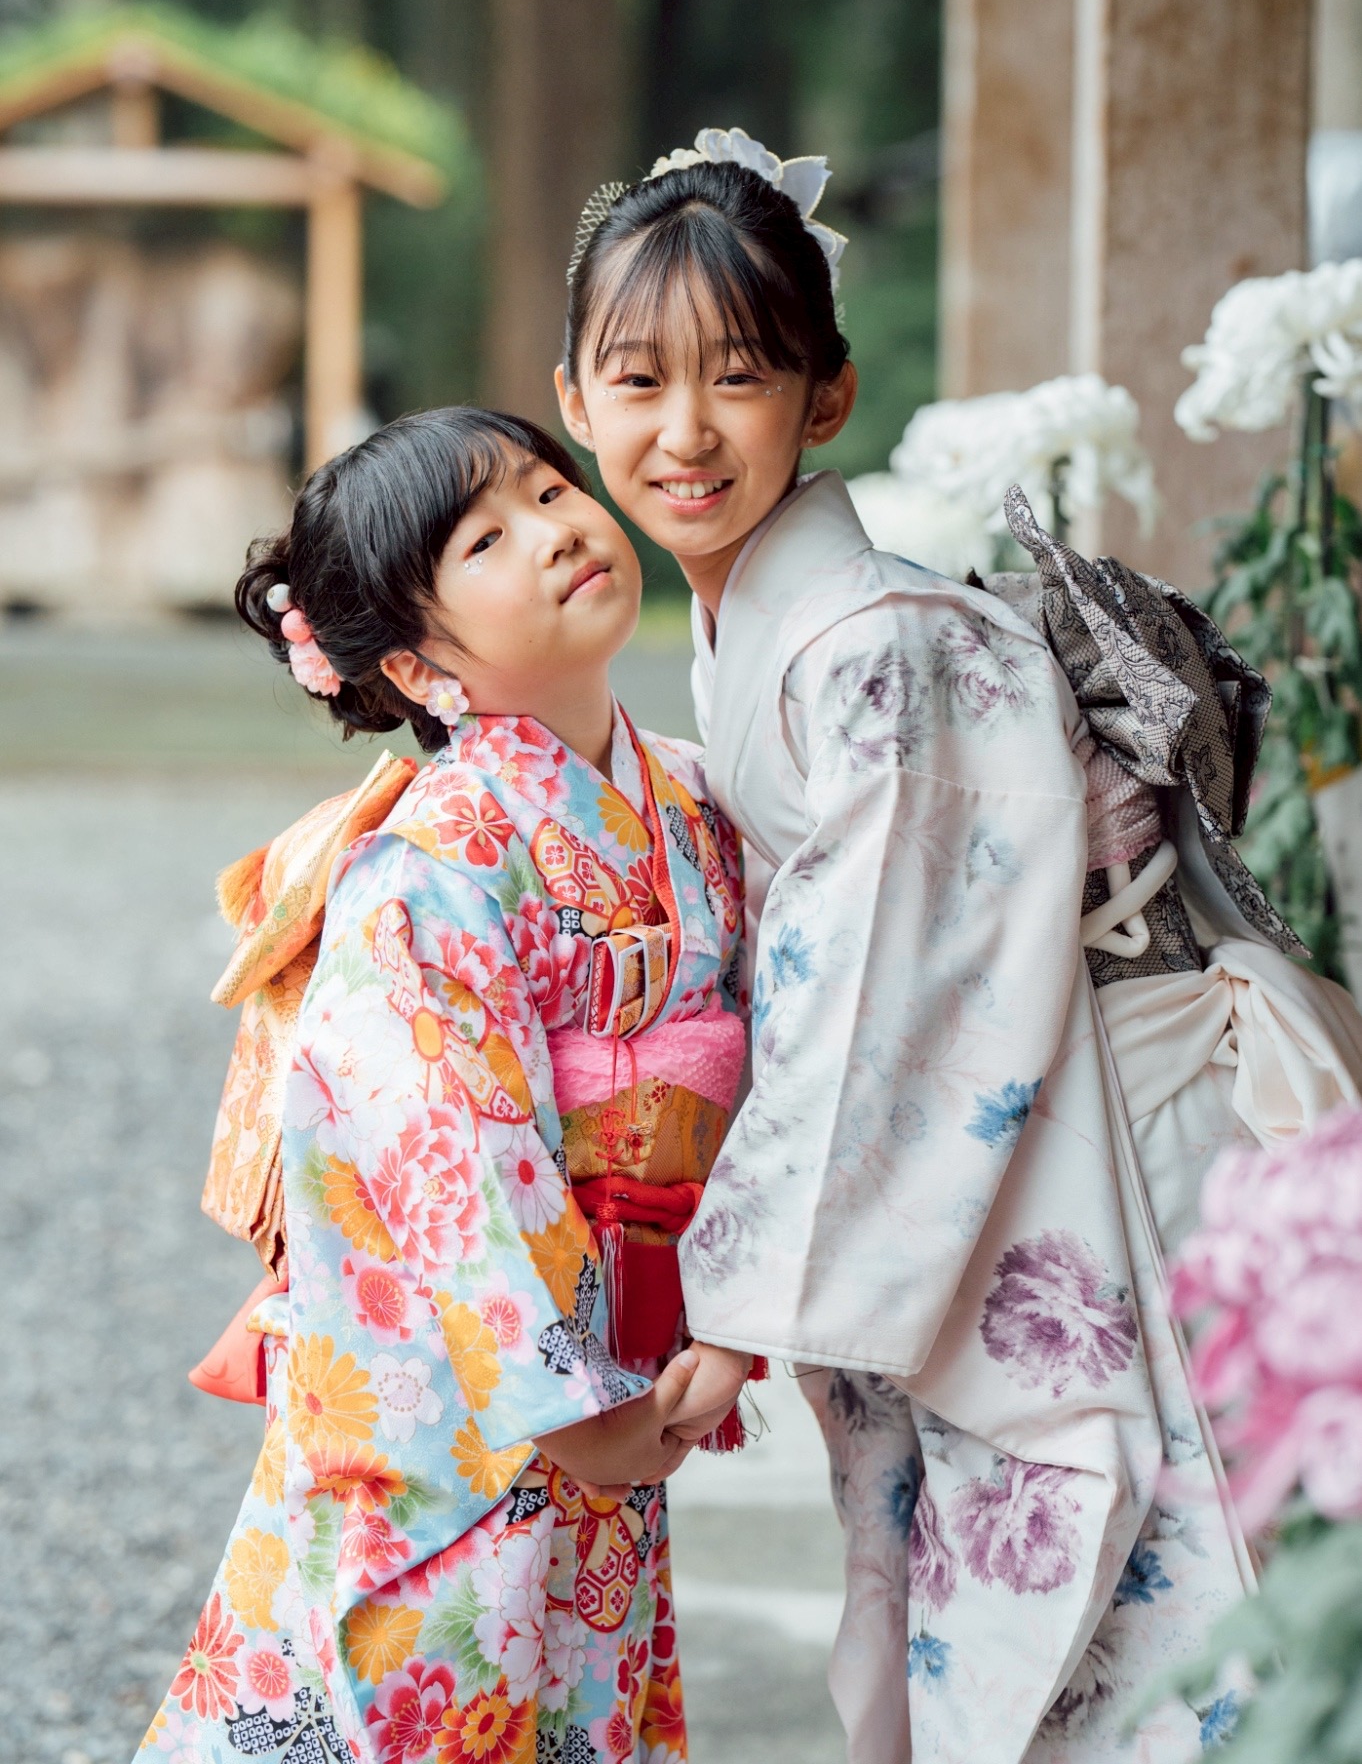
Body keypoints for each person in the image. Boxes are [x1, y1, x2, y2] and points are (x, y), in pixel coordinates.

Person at [555, 129, 1362, 1763]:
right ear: (573, 400)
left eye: (740, 375)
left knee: (1125, 1609)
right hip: (991, 1169)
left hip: (1098, 1163)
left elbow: (869, 998)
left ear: (826, 397)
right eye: (636, 382)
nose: (685, 432)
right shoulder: (780, 634)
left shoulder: (880, 649)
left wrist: (735, 1300)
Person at [139, 408, 748, 1764]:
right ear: (418, 663)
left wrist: (740, 1313)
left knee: (579, 1695)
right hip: (454, 1405)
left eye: (548, 489)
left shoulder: (694, 809)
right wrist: (571, 1400)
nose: (554, 532)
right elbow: (441, 1157)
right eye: (487, 537)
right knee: (436, 1696)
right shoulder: (429, 869)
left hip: (627, 1362)